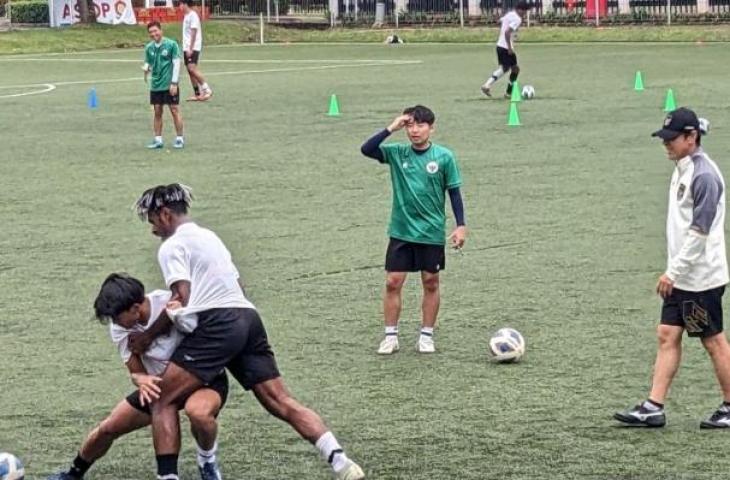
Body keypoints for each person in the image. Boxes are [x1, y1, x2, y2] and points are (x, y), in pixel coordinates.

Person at [129, 184, 365, 480]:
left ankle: (170, 477)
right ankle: (341, 461)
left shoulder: (171, 246)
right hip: (248, 318)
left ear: (164, 214)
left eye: (152, 221)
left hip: (217, 323)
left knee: (162, 400)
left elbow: (182, 296)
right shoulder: (210, 236)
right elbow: (239, 286)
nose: (152, 229)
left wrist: (148, 336)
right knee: (280, 401)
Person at [47, 273, 227, 480]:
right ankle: (73, 473)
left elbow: (212, 337)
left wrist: (180, 317)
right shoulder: (119, 328)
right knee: (108, 428)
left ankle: (207, 461)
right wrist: (140, 379)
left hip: (204, 381)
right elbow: (136, 371)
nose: (114, 323)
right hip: (160, 388)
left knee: (198, 413)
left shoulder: (173, 302)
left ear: (135, 308)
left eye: (116, 317)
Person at [614, 107, 730, 429]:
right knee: (667, 334)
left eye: (671, 139)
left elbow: (700, 232)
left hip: (700, 279)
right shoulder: (683, 166)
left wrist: (673, 273)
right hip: (682, 276)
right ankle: (654, 407)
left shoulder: (704, 175)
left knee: (713, 341)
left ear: (692, 138)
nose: (665, 144)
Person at [360, 105, 466, 355]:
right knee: (392, 282)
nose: (414, 130)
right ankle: (390, 336)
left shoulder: (444, 157)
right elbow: (367, 149)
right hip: (401, 231)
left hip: (431, 231)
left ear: (431, 128)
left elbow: (454, 193)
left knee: (430, 282)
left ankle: (426, 335)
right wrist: (391, 127)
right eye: (410, 125)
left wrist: (461, 225)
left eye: (420, 125)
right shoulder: (397, 153)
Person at [143, 21, 185, 149]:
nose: (153, 34)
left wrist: (174, 83)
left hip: (169, 84)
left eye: (155, 31)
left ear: (161, 30)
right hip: (156, 85)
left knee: (174, 109)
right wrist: (146, 69)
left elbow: (177, 63)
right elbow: (149, 63)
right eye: (151, 32)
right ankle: (158, 139)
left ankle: (179, 138)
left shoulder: (171, 45)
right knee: (157, 111)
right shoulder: (149, 48)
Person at [480, 2, 530, 98]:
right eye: (524, 11)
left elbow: (499, 21)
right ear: (520, 9)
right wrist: (510, 47)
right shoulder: (517, 19)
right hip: (505, 47)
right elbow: (507, 33)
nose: (524, 13)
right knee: (510, 69)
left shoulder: (510, 14)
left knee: (511, 68)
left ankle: (495, 88)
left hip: (500, 46)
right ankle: (495, 88)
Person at [180, 0, 213, 102]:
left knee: (192, 68)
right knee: (190, 71)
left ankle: (207, 89)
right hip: (186, 47)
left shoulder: (193, 15)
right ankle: (197, 94)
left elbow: (194, 32)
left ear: (185, 4)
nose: (180, 7)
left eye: (181, 4)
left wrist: (191, 48)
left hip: (193, 47)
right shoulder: (186, 16)